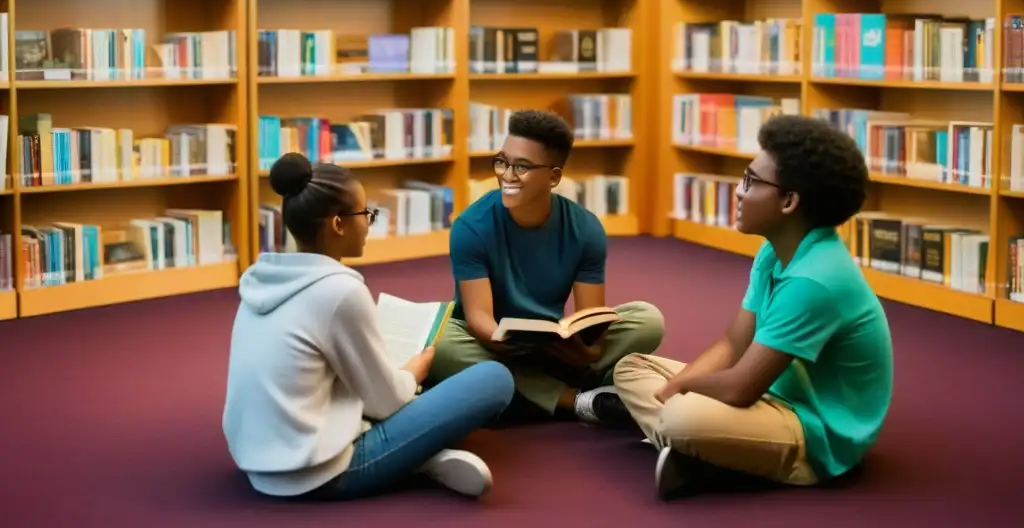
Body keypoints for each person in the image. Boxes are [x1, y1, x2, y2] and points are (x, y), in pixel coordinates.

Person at [613, 114, 894, 499]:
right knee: (632, 367)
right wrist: (676, 389)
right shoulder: (773, 250)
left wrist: (681, 388)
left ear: (789, 202)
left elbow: (741, 387)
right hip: (770, 394)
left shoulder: (814, 281)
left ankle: (713, 452)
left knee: (682, 417)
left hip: (814, 428)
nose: (739, 191)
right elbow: (732, 344)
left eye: (751, 181)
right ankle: (706, 450)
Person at [222, 153, 515, 501]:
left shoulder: (260, 281)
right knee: (494, 379)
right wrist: (412, 373)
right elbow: (386, 403)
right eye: (366, 215)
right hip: (324, 472)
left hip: (258, 466)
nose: (369, 223)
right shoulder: (340, 291)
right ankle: (416, 457)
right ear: (337, 224)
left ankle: (424, 457)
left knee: (374, 384)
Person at [428, 109, 665, 425]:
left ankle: (518, 396)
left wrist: (588, 352)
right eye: (502, 162)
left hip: (553, 347)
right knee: (439, 341)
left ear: (554, 177)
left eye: (522, 167)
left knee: (648, 319)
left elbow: (589, 319)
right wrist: (508, 342)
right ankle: (576, 400)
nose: (507, 175)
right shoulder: (470, 227)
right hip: (492, 347)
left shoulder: (586, 229)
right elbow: (479, 319)